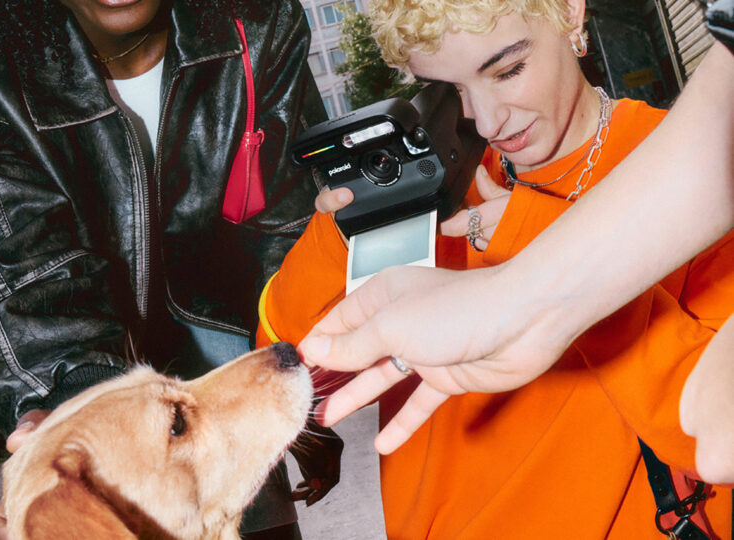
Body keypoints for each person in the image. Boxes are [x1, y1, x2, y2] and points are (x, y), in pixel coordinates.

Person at [256, 0, 734, 537]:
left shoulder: (701, 176)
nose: (485, 120)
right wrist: (344, 232)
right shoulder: (429, 186)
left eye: (507, 70)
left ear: (571, 15)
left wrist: (542, 243)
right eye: (450, 90)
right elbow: (282, 355)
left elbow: (709, 436)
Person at [0, 0, 341, 538]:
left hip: (232, 356)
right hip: (100, 383)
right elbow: (16, 261)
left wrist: (303, 407)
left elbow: (285, 230)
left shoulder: (259, 22)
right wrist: (81, 404)